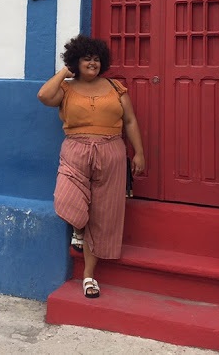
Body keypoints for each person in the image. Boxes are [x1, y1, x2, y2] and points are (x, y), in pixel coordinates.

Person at [37, 34, 145, 299]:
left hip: (112, 151)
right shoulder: (66, 88)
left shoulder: (115, 87)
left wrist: (139, 153)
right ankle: (78, 226)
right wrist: (66, 70)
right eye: (86, 58)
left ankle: (88, 276)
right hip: (75, 149)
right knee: (68, 199)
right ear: (77, 61)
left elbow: (130, 121)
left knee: (103, 214)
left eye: (96, 59)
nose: (92, 63)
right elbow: (43, 95)